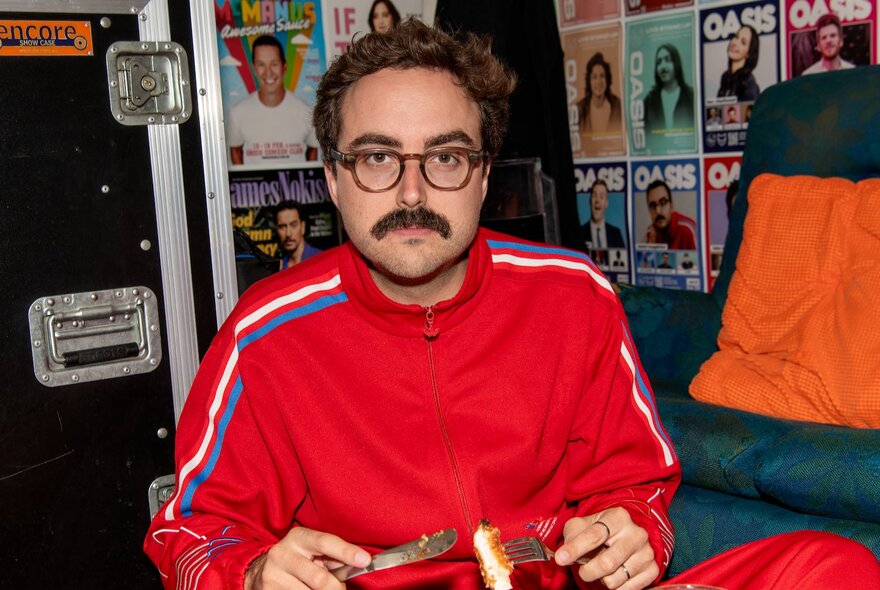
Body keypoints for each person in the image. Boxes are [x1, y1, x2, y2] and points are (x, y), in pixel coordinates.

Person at [145, 19, 880, 590]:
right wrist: (247, 571)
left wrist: (633, 532)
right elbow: (191, 532)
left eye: (445, 156)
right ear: (334, 182)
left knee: (833, 566)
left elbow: (634, 482)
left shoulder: (574, 295)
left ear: (483, 175)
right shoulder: (265, 333)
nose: (410, 193)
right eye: (375, 158)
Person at [227, 35, 319, 166]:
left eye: (274, 64)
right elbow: (235, 150)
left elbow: (313, 151)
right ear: (254, 68)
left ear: (284, 67)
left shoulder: (306, 111)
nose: (268, 73)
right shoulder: (237, 112)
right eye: (261, 65)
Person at [644, 43, 695, 135]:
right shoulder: (649, 101)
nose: (663, 67)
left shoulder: (691, 96)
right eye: (659, 62)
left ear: (676, 63)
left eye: (668, 60)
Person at [644, 179, 697, 249]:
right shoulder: (650, 235)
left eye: (663, 203)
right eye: (653, 206)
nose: (658, 211)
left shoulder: (688, 229)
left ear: (671, 206)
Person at [577, 52, 622, 134]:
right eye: (594, 77)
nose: (598, 81)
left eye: (602, 76)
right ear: (589, 81)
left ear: (607, 79)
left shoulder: (618, 106)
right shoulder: (580, 109)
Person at [717, 24, 760, 102]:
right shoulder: (725, 77)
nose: (735, 43)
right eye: (736, 37)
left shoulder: (748, 84)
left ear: (748, 53)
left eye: (743, 42)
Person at [274, 201, 322, 270]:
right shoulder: (280, 268)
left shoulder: (320, 258)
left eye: (293, 225)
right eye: (282, 226)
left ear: (303, 227)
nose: (288, 234)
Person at [580, 179, 625, 250]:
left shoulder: (616, 234)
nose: (597, 200)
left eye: (601, 197)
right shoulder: (580, 233)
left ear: (606, 203)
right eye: (594, 196)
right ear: (590, 201)